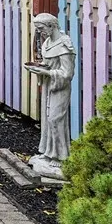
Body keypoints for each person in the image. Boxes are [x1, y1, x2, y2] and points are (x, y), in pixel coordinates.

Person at [26, 13, 75, 175]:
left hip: (59, 88)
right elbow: (48, 65)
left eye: (41, 29)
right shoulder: (48, 43)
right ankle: (48, 153)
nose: (40, 33)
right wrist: (39, 68)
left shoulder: (64, 44)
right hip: (49, 87)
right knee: (47, 120)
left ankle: (61, 157)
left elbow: (67, 73)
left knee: (56, 119)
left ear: (51, 26)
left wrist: (47, 73)